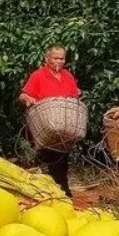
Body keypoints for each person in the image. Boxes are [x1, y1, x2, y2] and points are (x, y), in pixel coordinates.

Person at [20, 44, 81, 195]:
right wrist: (28, 99)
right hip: (45, 125)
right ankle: (60, 191)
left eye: (62, 59)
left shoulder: (68, 76)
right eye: (56, 58)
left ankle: (60, 190)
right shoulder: (38, 75)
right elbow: (23, 95)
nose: (59, 61)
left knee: (62, 159)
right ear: (47, 59)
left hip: (64, 127)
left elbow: (74, 99)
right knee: (52, 158)